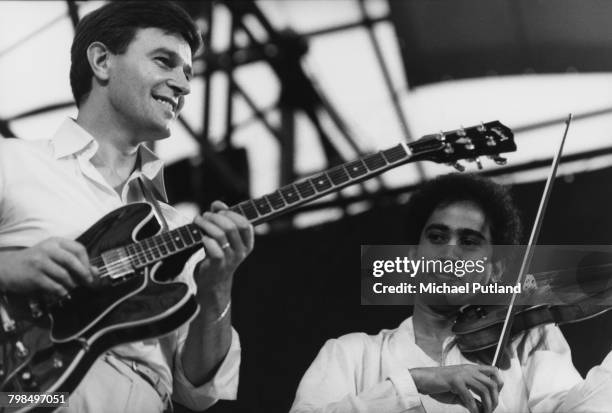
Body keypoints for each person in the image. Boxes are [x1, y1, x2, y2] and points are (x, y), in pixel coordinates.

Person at [0, 2, 253, 412]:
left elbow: (197, 390)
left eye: (188, 73)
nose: (184, 86)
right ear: (102, 61)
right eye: (164, 62)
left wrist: (217, 289)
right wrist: (9, 267)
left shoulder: (176, 227)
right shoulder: (12, 162)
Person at [290, 173, 612, 413]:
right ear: (413, 255)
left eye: (469, 242)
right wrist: (414, 383)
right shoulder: (352, 353)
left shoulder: (530, 342)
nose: (450, 255)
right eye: (437, 236)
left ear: (495, 270)